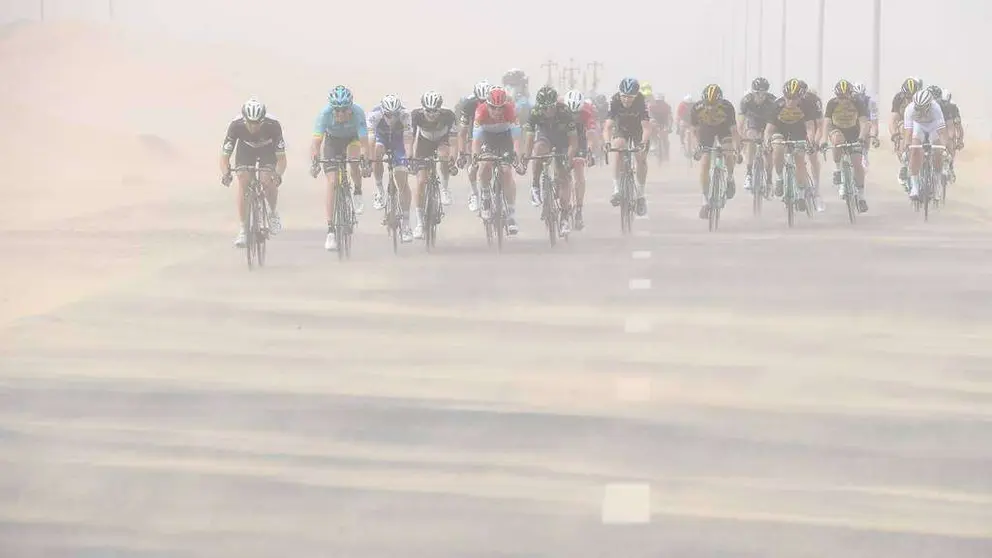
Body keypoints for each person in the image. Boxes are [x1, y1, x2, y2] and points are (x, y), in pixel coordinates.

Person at [310, 85, 370, 252]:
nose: (341, 114)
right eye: (337, 110)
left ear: (350, 108)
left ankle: (357, 190)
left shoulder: (358, 113)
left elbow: (365, 143)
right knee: (332, 182)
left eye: (344, 110)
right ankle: (330, 230)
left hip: (352, 139)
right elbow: (315, 144)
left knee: (354, 160)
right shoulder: (324, 115)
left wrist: (366, 160)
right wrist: (315, 160)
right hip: (332, 142)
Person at [220, 97, 286, 248]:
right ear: (245, 119)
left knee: (266, 179)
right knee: (243, 180)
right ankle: (244, 229)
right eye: (250, 123)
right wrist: (226, 173)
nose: (253, 127)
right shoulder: (236, 126)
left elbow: (282, 159)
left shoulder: (273, 125)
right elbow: (224, 157)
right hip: (246, 149)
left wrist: (277, 174)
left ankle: (272, 213)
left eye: (257, 123)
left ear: (263, 120)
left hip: (267, 150)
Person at [521, 85, 578, 236]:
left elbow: (573, 142)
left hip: (562, 141)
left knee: (563, 177)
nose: (548, 111)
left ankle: (565, 217)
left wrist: (568, 159)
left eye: (551, 107)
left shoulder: (565, 112)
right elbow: (529, 139)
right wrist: (526, 160)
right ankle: (535, 186)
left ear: (555, 104)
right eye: (544, 108)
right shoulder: (534, 113)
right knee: (538, 150)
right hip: (545, 138)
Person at [472, 86, 522, 234]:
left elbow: (517, 139)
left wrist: (516, 155)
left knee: (506, 172)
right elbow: (476, 139)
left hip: (505, 139)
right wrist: (475, 155)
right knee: (485, 164)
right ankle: (486, 197)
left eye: (500, 108)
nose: (497, 112)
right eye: (493, 108)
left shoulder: (511, 110)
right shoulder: (480, 111)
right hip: (487, 139)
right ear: (487, 105)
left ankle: (511, 214)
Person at [764, 78, 818, 213]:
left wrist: (811, 142)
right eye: (788, 98)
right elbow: (769, 129)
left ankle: (800, 195)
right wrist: (767, 143)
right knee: (777, 147)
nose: (790, 101)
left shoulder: (807, 105)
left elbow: (810, 127)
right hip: (779, 131)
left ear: (801, 97)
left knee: (799, 160)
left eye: (794, 98)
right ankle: (780, 178)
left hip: (798, 132)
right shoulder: (777, 105)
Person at [410, 90, 458, 239]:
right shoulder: (416, 115)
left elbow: (454, 142)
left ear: (440, 109)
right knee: (421, 181)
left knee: (444, 157)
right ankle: (419, 223)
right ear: (423, 108)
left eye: (434, 111)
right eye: (428, 111)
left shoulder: (448, 116)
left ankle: (444, 189)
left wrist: (452, 159)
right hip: (424, 143)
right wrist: (410, 155)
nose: (431, 115)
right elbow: (411, 137)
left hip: (441, 140)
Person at [367, 94, 414, 242]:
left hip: (398, 141)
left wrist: (410, 156)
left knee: (401, 179)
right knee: (377, 151)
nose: (391, 118)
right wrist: (369, 160)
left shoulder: (405, 116)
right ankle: (380, 190)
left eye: (395, 115)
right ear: (383, 111)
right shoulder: (374, 115)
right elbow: (370, 140)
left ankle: (406, 223)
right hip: (381, 138)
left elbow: (407, 139)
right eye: (388, 115)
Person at [689, 84, 740, 219]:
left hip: (724, 130)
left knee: (728, 152)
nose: (711, 108)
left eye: (714, 105)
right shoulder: (696, 108)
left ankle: (729, 178)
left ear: (720, 102)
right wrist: (697, 147)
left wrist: (738, 149)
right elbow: (694, 131)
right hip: (706, 131)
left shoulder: (727, 107)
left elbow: (734, 131)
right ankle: (705, 201)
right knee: (705, 163)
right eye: (708, 105)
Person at [603, 77, 651, 216]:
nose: (626, 100)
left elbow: (646, 128)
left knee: (640, 158)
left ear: (636, 96)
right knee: (618, 147)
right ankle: (617, 189)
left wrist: (643, 143)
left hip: (638, 130)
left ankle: (640, 195)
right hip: (621, 128)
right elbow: (607, 126)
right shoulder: (615, 101)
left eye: (630, 97)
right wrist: (606, 142)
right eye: (624, 96)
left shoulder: (641, 101)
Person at [824, 79, 870, 213]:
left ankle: (861, 197)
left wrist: (861, 137)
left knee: (857, 163)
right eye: (840, 97)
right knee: (837, 142)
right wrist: (822, 141)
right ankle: (838, 169)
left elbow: (864, 123)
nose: (843, 100)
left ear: (851, 94)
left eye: (846, 97)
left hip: (853, 130)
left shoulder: (858, 103)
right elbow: (826, 124)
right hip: (837, 128)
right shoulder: (832, 104)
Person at [902, 88, 947, 202]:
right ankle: (915, 187)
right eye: (918, 108)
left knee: (938, 152)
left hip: (933, 127)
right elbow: (908, 131)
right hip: (919, 126)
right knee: (915, 150)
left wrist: (944, 147)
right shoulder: (910, 109)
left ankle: (937, 186)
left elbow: (942, 130)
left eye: (922, 108)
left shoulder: (936, 108)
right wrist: (907, 146)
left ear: (928, 105)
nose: (920, 110)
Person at [563, 89, 599, 231]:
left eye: (576, 113)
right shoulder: (560, 111)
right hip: (563, 139)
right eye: (571, 113)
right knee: (561, 172)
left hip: (580, 140)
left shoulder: (587, 112)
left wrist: (590, 151)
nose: (574, 116)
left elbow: (591, 134)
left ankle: (578, 210)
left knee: (578, 169)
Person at [457, 80, 492, 213]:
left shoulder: (497, 103)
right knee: (473, 165)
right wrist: (461, 153)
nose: (483, 104)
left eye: (486, 101)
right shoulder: (469, 105)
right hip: (475, 134)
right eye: (480, 101)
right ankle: (473, 193)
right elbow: (462, 132)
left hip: (492, 134)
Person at [737, 77, 777, 194]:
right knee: (750, 138)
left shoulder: (772, 101)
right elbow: (741, 122)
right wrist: (741, 136)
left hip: (768, 123)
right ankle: (749, 174)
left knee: (768, 150)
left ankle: (769, 180)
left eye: (763, 93)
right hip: (753, 123)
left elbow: (777, 121)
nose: (761, 96)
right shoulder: (746, 101)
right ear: (753, 92)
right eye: (758, 94)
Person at [890, 77, 922, 190]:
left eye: (913, 97)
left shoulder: (923, 98)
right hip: (904, 122)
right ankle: (904, 165)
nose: (910, 100)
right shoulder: (898, 99)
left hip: (919, 123)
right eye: (908, 97)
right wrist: (894, 135)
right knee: (902, 130)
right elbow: (893, 119)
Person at [799, 81, 826, 211]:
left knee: (813, 156)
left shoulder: (813, 101)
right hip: (795, 129)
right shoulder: (786, 101)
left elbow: (820, 126)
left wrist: (815, 142)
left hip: (811, 128)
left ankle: (816, 189)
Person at [648, 91, 673, 162]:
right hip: (655, 121)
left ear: (663, 101)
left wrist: (669, 127)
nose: (659, 103)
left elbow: (670, 117)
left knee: (665, 140)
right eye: (657, 101)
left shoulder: (667, 106)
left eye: (660, 101)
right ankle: (653, 144)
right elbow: (649, 116)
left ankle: (666, 156)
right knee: (652, 130)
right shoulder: (651, 106)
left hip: (664, 123)